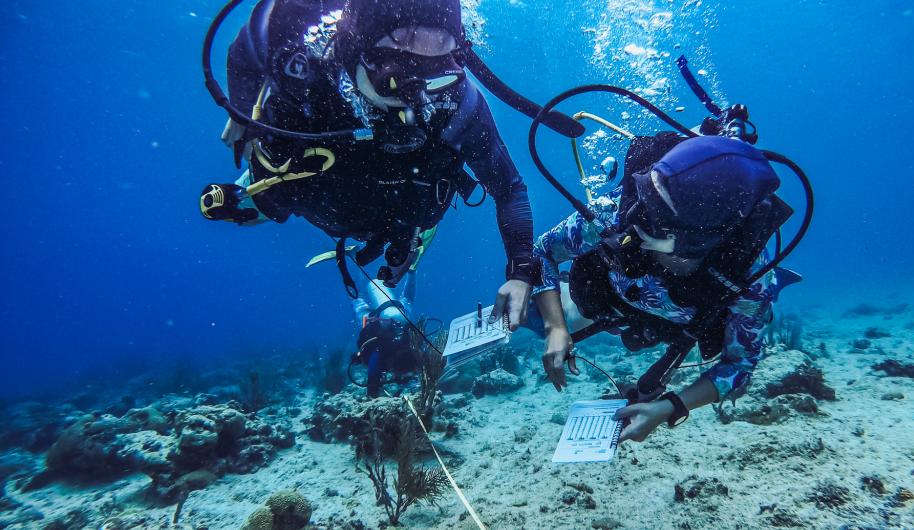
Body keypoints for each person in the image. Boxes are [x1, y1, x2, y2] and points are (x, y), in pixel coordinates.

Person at [198, 0, 540, 328]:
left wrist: (521, 274)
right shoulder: (302, 62)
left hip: (407, 216)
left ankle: (410, 247)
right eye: (395, 82)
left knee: (411, 234)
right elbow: (244, 48)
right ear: (353, 48)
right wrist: (242, 110)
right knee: (264, 195)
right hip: (309, 186)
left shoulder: (458, 102)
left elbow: (509, 188)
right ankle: (255, 195)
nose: (413, 102)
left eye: (435, 76)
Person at [531, 133, 801, 443]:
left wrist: (670, 407)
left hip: (675, 323)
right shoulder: (620, 210)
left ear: (698, 242)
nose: (636, 224)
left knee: (749, 316)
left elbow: (741, 364)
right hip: (612, 300)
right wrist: (555, 328)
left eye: (655, 226)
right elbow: (543, 252)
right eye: (643, 207)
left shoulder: (747, 273)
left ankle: (772, 293)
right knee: (557, 318)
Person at [351, 274, 419, 397]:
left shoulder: (412, 350)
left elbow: (373, 378)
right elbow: (372, 380)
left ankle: (412, 272)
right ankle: (349, 275)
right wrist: (373, 392)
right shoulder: (381, 354)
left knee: (407, 301)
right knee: (358, 304)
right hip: (376, 319)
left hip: (399, 314)